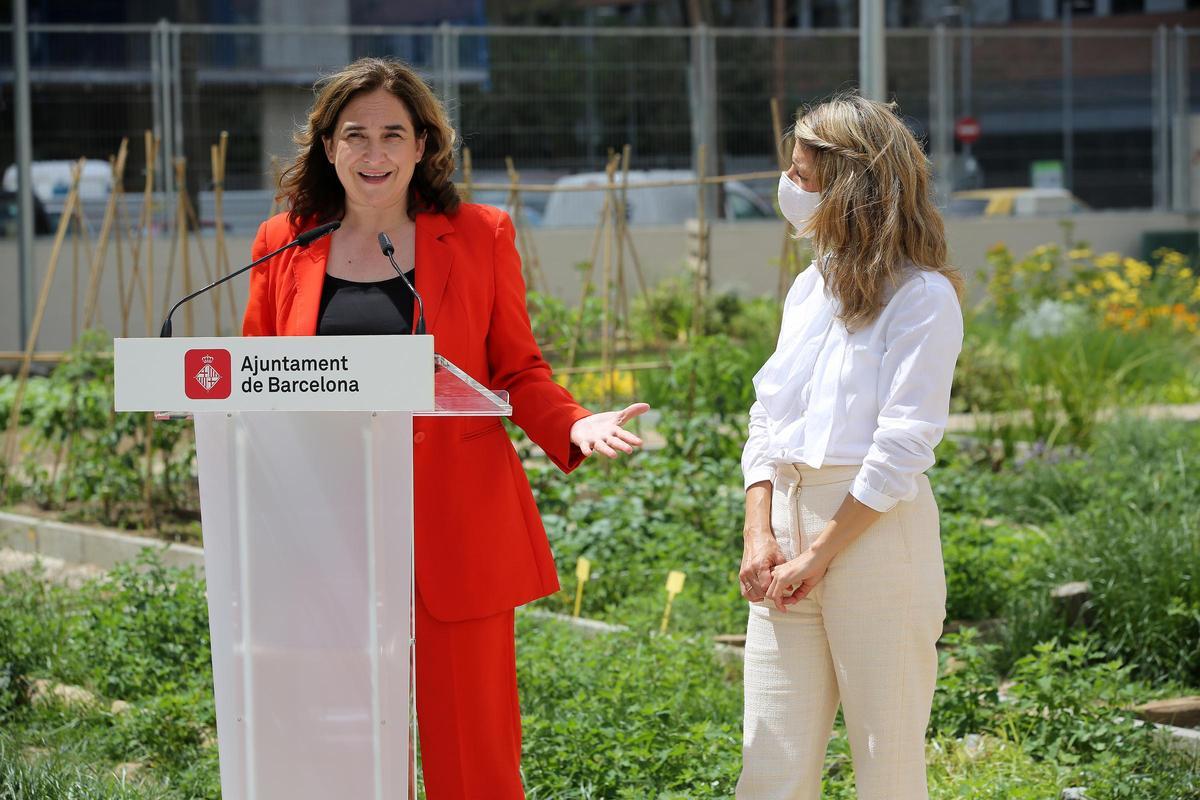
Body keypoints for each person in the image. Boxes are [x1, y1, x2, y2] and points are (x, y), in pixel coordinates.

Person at [241, 57, 648, 799]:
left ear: (423, 144)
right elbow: (254, 381)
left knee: (475, 750)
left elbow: (518, 370)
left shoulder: (479, 234)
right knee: (342, 743)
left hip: (455, 524)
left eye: (393, 134)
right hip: (325, 528)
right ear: (328, 146)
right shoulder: (282, 241)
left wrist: (575, 422)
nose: (375, 154)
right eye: (355, 135)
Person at [736, 93, 964, 800]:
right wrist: (758, 535)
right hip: (786, 533)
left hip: (871, 537)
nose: (790, 189)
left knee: (886, 764)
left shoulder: (922, 297)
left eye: (804, 175)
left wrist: (818, 552)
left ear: (851, 184)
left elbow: (903, 446)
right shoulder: (809, 288)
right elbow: (767, 418)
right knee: (771, 767)